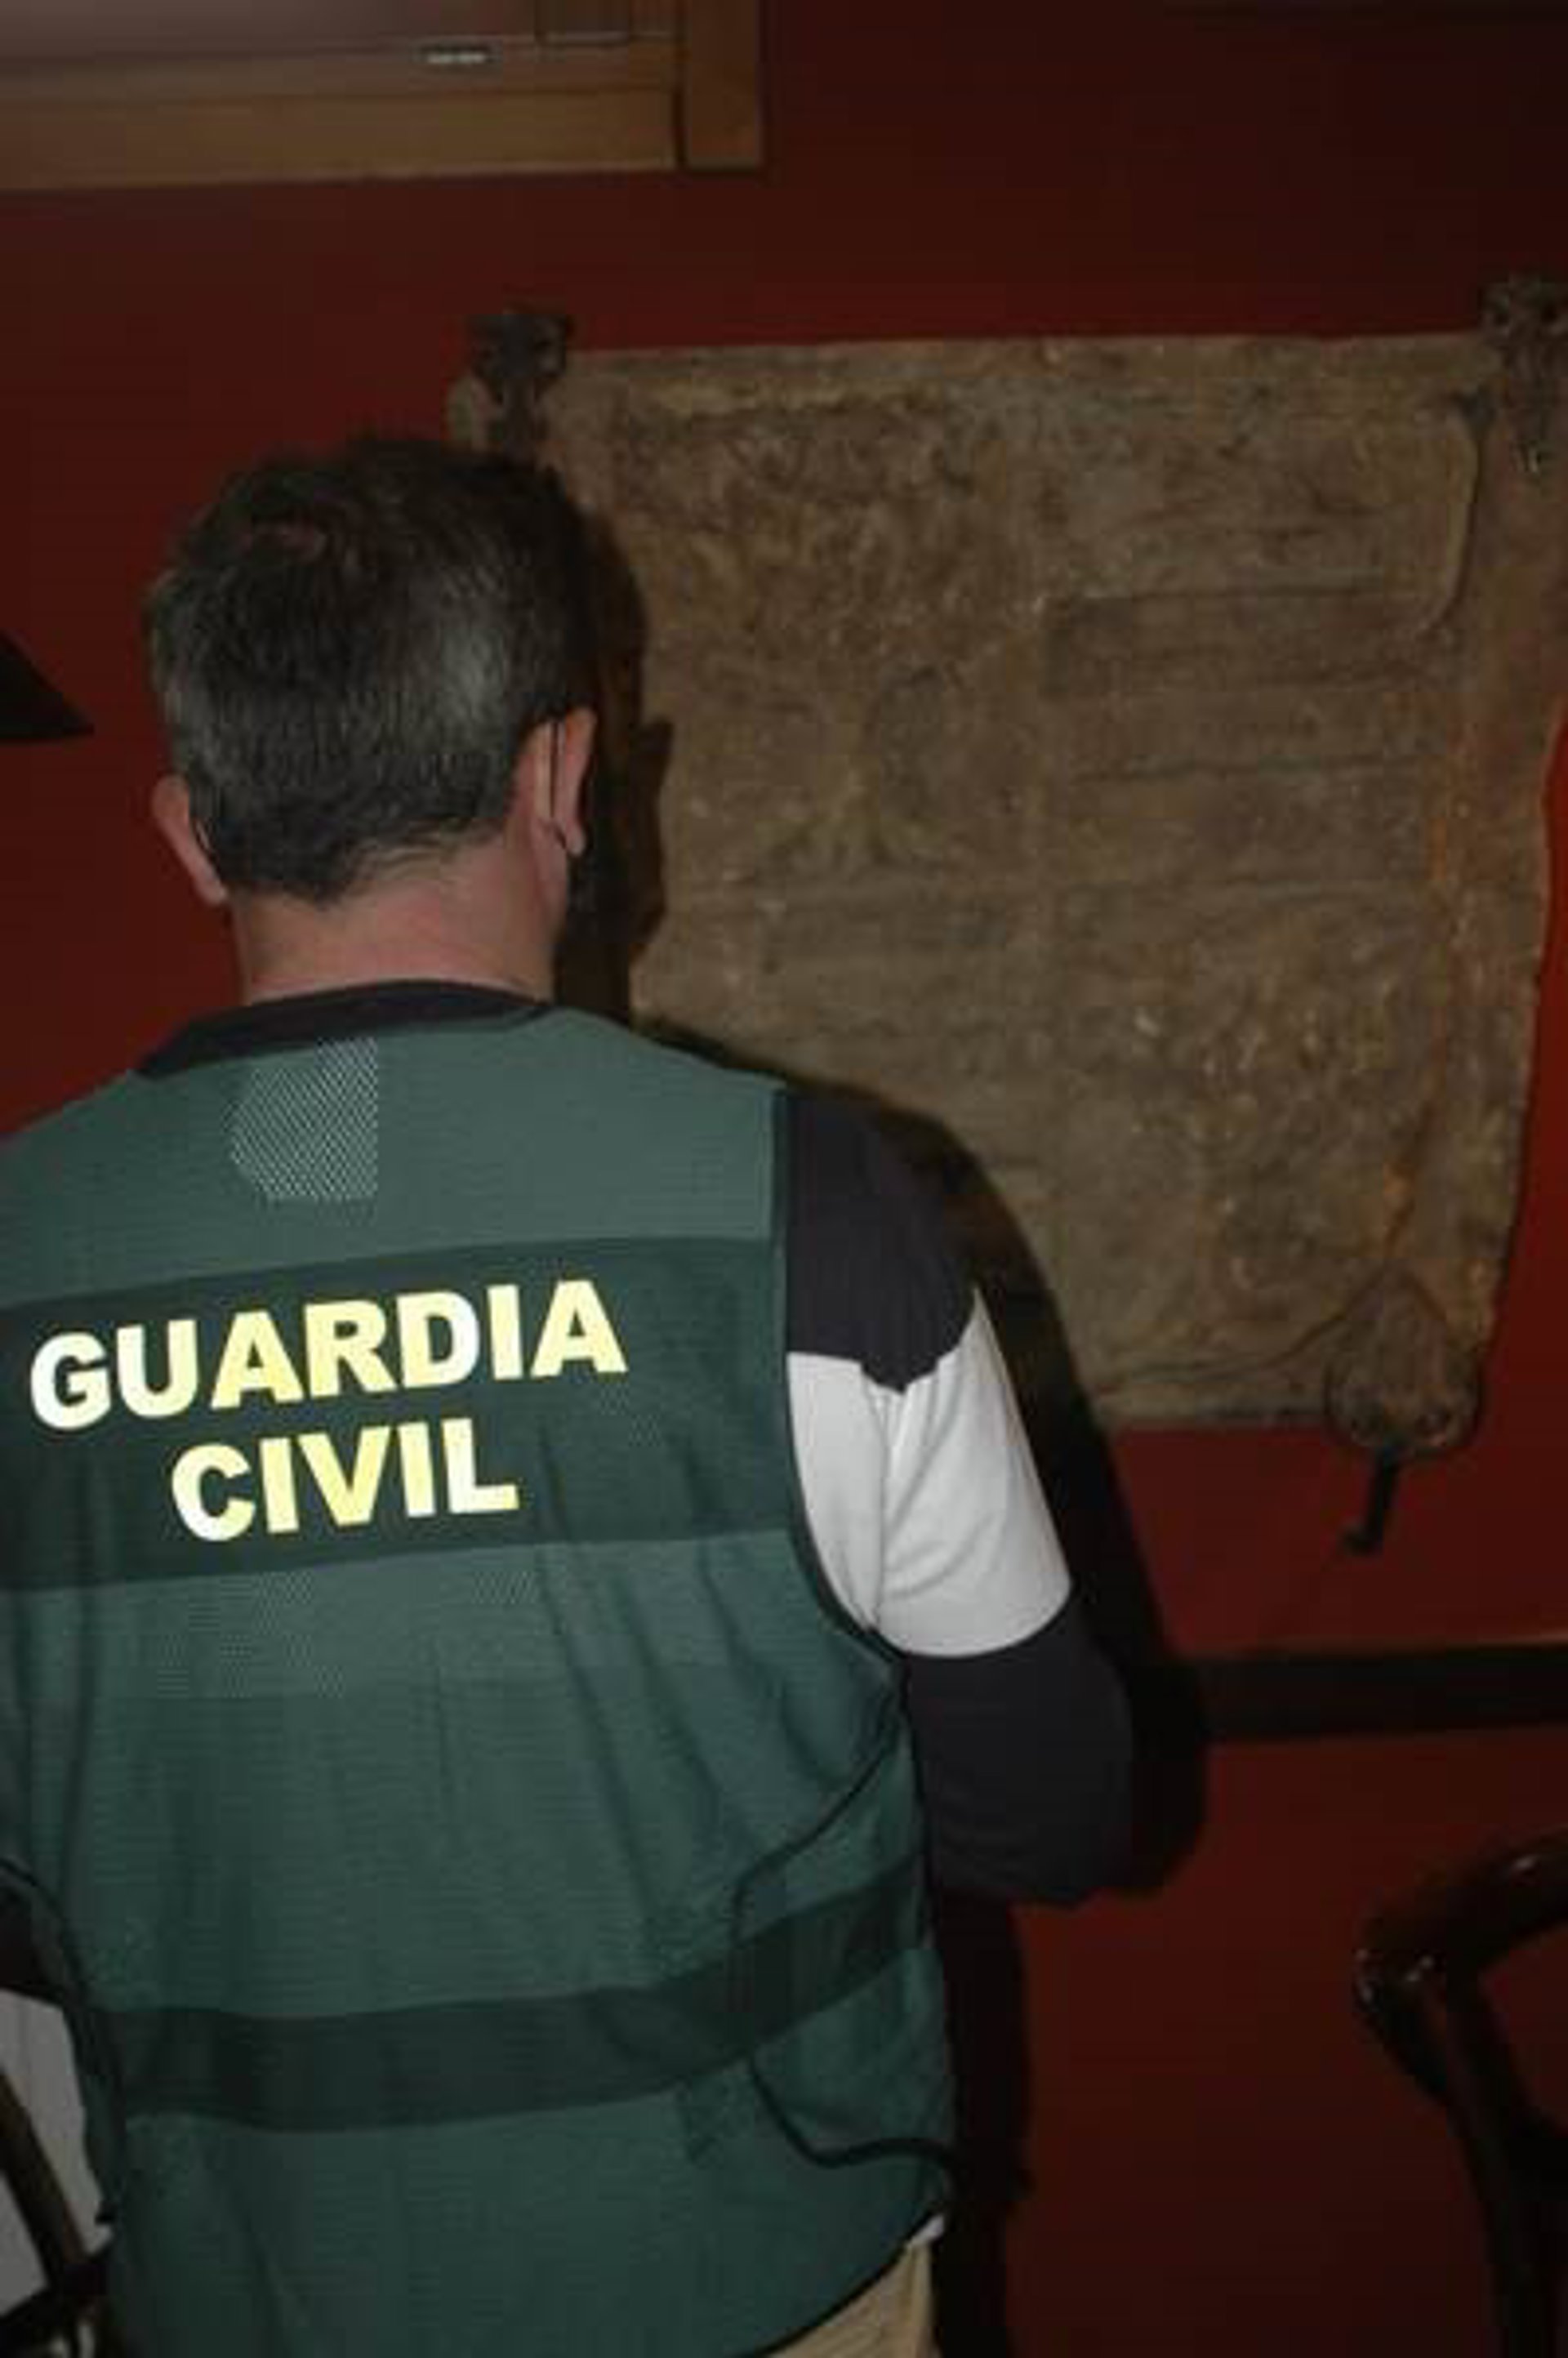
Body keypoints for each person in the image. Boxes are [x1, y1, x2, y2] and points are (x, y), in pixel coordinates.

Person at [0, 437, 1130, 2357]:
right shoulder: (809, 1208)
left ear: (191, 831)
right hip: (750, 2290)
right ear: (562, 776)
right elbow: (1051, 1811)